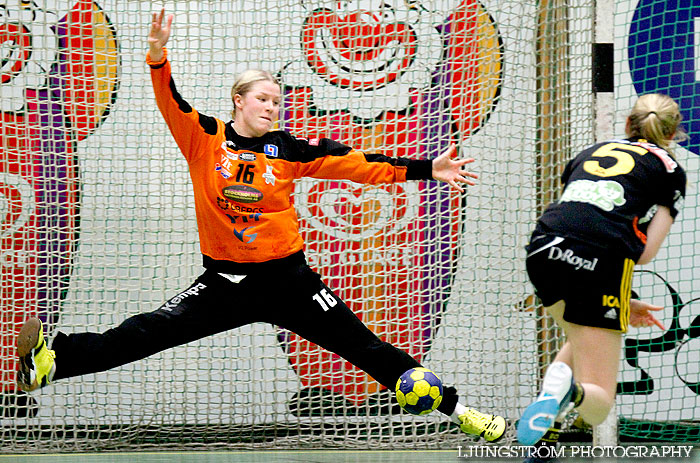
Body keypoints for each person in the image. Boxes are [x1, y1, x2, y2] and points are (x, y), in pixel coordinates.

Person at [15, 8, 507, 442]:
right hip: (224, 284)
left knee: (368, 349)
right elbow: (171, 101)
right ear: (238, 101)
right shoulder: (204, 138)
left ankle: (463, 414)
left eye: (276, 101)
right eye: (263, 99)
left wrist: (429, 169)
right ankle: (51, 362)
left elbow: (358, 163)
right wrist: (157, 57)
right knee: (144, 333)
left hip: (291, 282)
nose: (273, 107)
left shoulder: (288, 149)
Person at [516, 93, 686, 461]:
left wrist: (622, 300)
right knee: (599, 403)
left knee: (578, 338)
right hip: (599, 259)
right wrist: (614, 289)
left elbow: (578, 211)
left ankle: (544, 439)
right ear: (672, 134)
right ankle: (569, 394)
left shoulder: (592, 149)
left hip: (544, 247)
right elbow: (644, 254)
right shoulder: (670, 169)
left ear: (628, 124)